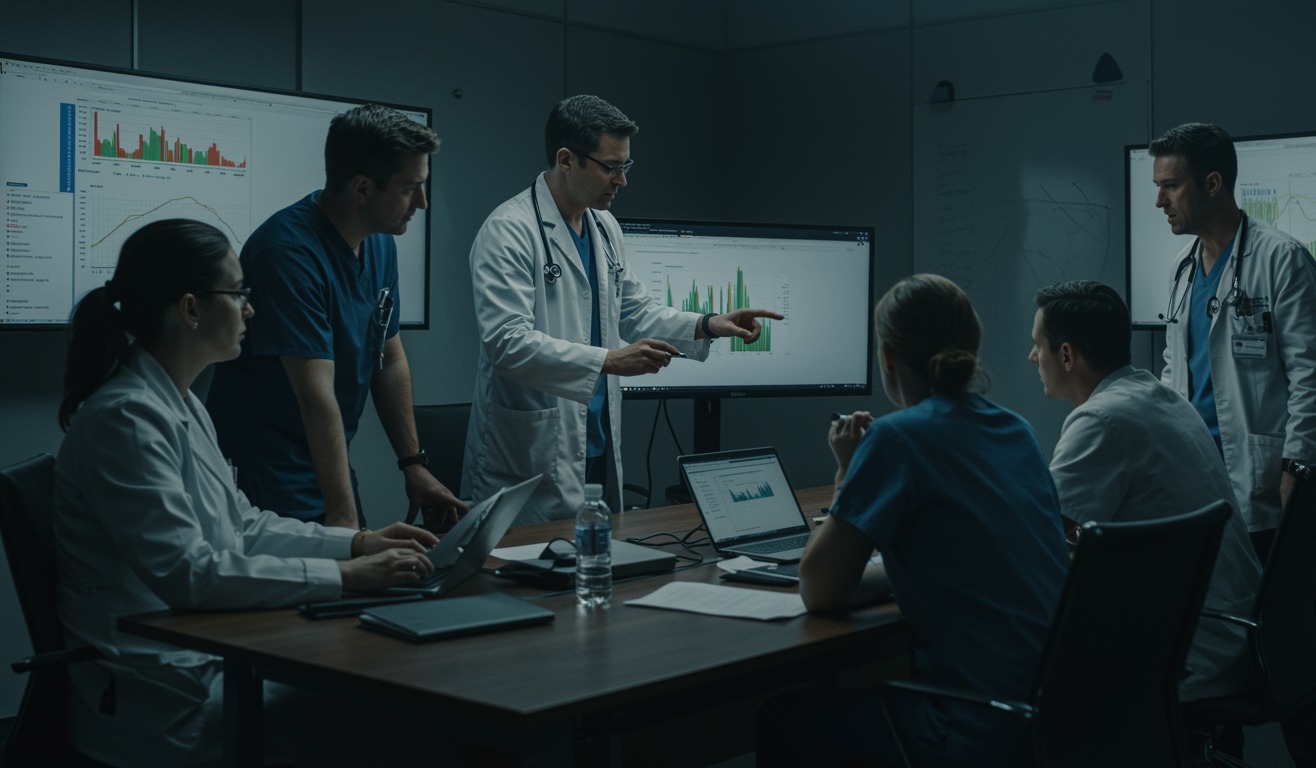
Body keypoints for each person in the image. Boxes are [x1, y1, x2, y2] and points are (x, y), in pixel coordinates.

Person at [53, 219, 439, 766]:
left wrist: (356, 545)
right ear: (190, 309)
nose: (250, 311)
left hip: (204, 660)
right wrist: (344, 577)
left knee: (381, 685)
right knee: (388, 702)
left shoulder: (177, 402)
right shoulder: (127, 418)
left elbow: (246, 526)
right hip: (160, 698)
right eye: (238, 294)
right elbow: (190, 573)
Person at [755, 274, 1070, 767]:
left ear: (888, 357)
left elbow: (819, 588)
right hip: (1055, 718)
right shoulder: (1016, 430)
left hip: (977, 727)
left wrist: (846, 471)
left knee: (785, 718)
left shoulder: (896, 439)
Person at [465, 94, 782, 522]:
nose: (622, 181)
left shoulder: (604, 225)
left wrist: (708, 324)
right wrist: (610, 360)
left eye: (625, 167)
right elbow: (506, 344)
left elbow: (632, 309)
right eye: (611, 167)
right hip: (531, 456)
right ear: (566, 159)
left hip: (592, 442)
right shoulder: (508, 231)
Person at [1151, 123, 1316, 766]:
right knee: (1206, 628)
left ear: (1213, 183)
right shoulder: (1183, 273)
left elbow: (1313, 372)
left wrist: (1296, 464)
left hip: (1261, 479)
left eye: (1170, 186)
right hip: (1198, 482)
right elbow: (1177, 378)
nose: (1160, 202)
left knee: (1280, 629)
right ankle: (1220, 752)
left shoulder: (1279, 258)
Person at [206, 104, 466, 529]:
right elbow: (315, 395)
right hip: (268, 469)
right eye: (410, 188)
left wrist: (413, 464)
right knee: (314, 585)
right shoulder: (288, 254)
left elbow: (390, 357)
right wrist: (346, 526)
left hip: (327, 460)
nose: (422, 202)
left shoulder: (380, 243)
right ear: (362, 188)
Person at [1029, 280, 1261, 700]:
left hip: (1187, 648)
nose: (1032, 357)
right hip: (1234, 634)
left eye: (1037, 345)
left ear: (1066, 355)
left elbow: (1040, 545)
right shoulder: (1162, 397)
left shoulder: (1101, 420)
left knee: (1020, 654)